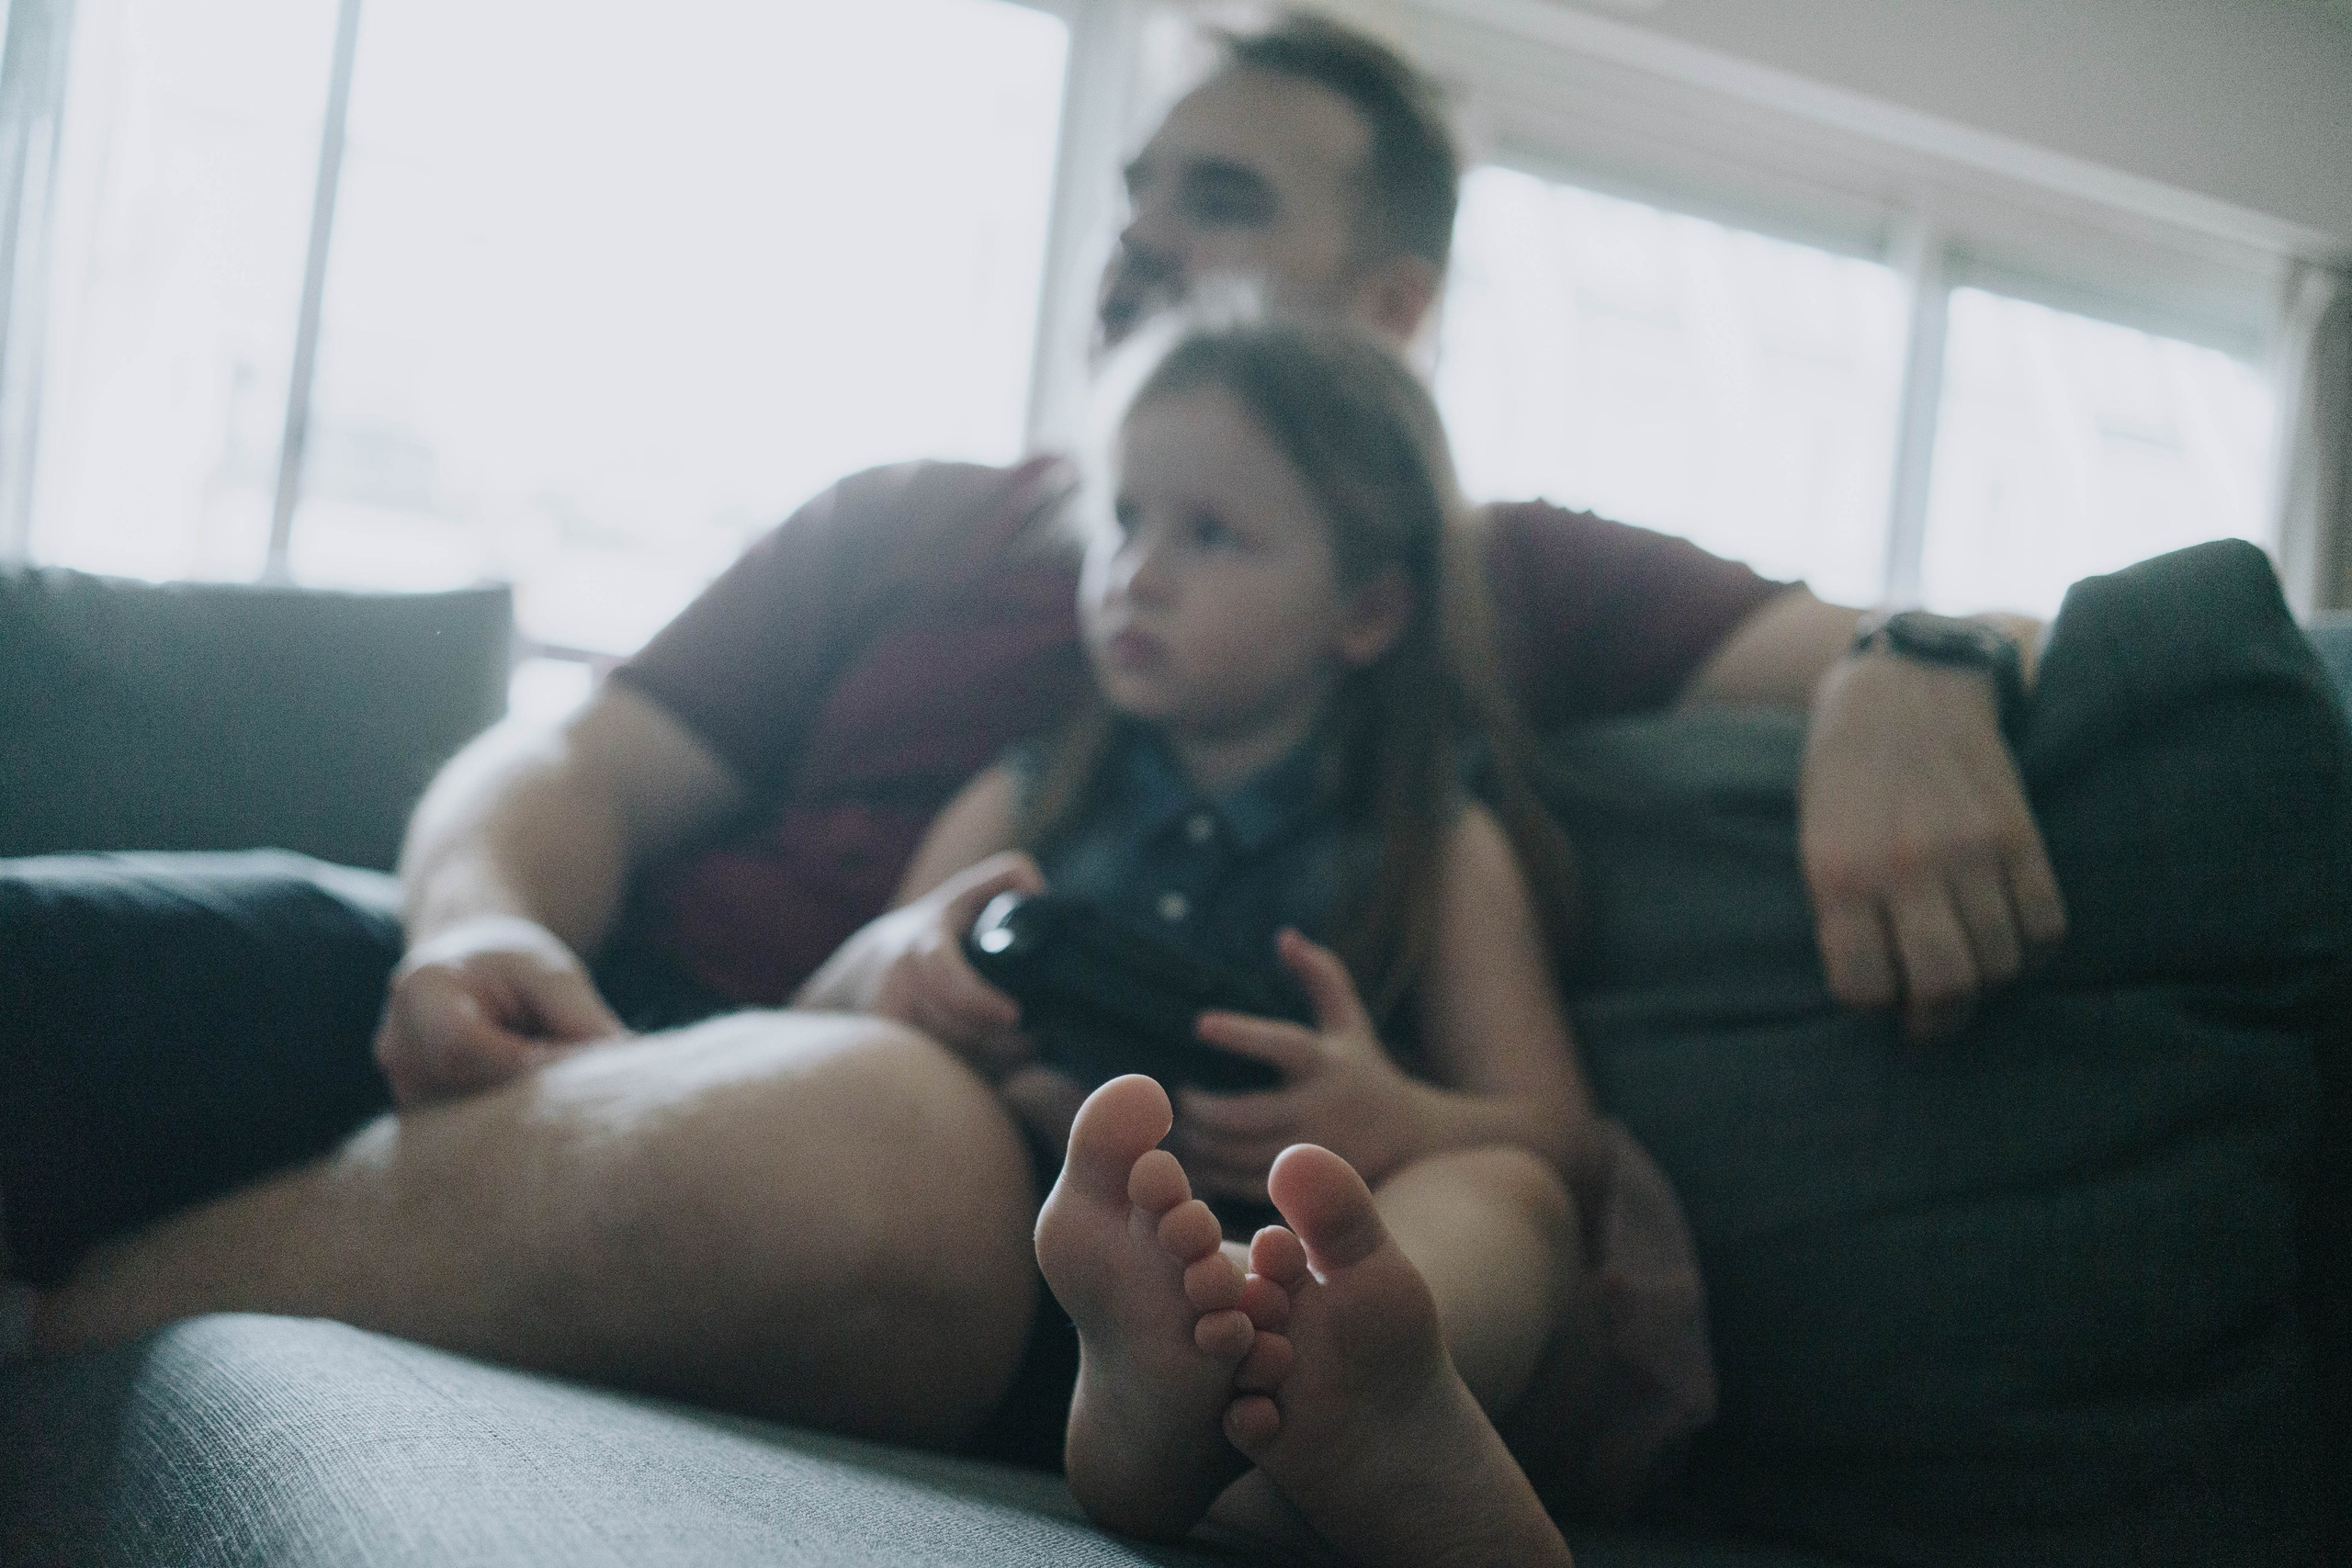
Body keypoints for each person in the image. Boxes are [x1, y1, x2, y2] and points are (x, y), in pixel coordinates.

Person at [12, 9, 2054, 1495]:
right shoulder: (914, 516)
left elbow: (1952, 644)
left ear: (1390, 303)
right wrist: (466, 923)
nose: (1139, 241)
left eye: (1220, 202)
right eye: (1132, 192)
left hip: (943, 1178)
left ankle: (61, 1334)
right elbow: (563, 767)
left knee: (885, 1147)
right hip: (561, 1026)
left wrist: (1919, 660)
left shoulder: (1464, 585)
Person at [832, 318, 1614, 1564]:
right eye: (1125, 520)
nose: (1136, 570)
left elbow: (1563, 1140)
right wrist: (897, 975)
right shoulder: (1028, 801)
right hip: (1046, 1292)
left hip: (1328, 1244)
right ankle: (1163, 1417)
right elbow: (831, 1021)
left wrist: (1404, 1119)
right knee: (927, 1109)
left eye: (1209, 535)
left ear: (1365, 611)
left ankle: (1357, 1407)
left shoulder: (1433, 840)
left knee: (1507, 1197)